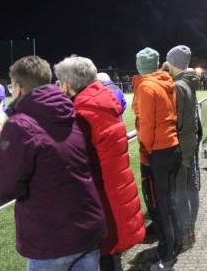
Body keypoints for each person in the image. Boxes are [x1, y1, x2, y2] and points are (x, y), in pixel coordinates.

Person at [0, 55, 107, 271]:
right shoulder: (68, 111)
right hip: (87, 229)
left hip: (53, 237)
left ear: (19, 88)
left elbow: (7, 185)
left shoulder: (20, 124)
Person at [54, 56, 146, 271]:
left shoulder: (82, 113)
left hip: (101, 203)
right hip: (114, 196)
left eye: (60, 82)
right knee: (111, 259)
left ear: (67, 84)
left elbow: (65, 162)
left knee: (105, 260)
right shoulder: (102, 104)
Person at [132, 47, 182, 271]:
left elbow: (147, 125)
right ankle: (174, 245)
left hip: (158, 153)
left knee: (159, 207)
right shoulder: (166, 82)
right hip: (172, 148)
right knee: (169, 203)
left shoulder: (146, 86)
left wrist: (145, 154)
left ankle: (166, 256)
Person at [165, 45, 200, 252]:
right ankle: (190, 229)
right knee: (190, 187)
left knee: (180, 192)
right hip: (190, 141)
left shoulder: (178, 86)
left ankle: (185, 235)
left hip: (182, 143)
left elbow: (175, 120)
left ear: (173, 62)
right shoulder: (188, 81)